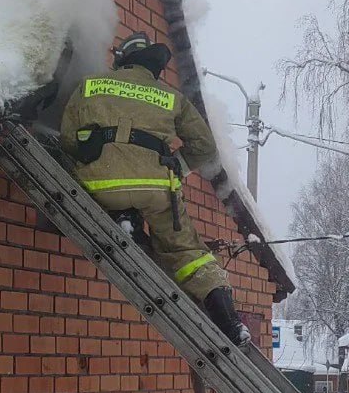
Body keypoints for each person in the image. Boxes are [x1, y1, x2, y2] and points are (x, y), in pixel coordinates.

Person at [60, 31, 250, 348]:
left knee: (114, 195)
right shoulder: (170, 96)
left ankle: (125, 218)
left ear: (121, 60)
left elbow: (68, 138)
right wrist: (178, 164)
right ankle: (231, 324)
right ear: (154, 65)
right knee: (187, 252)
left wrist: (97, 157)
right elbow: (205, 147)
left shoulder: (91, 85)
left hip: (100, 184)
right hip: (156, 189)